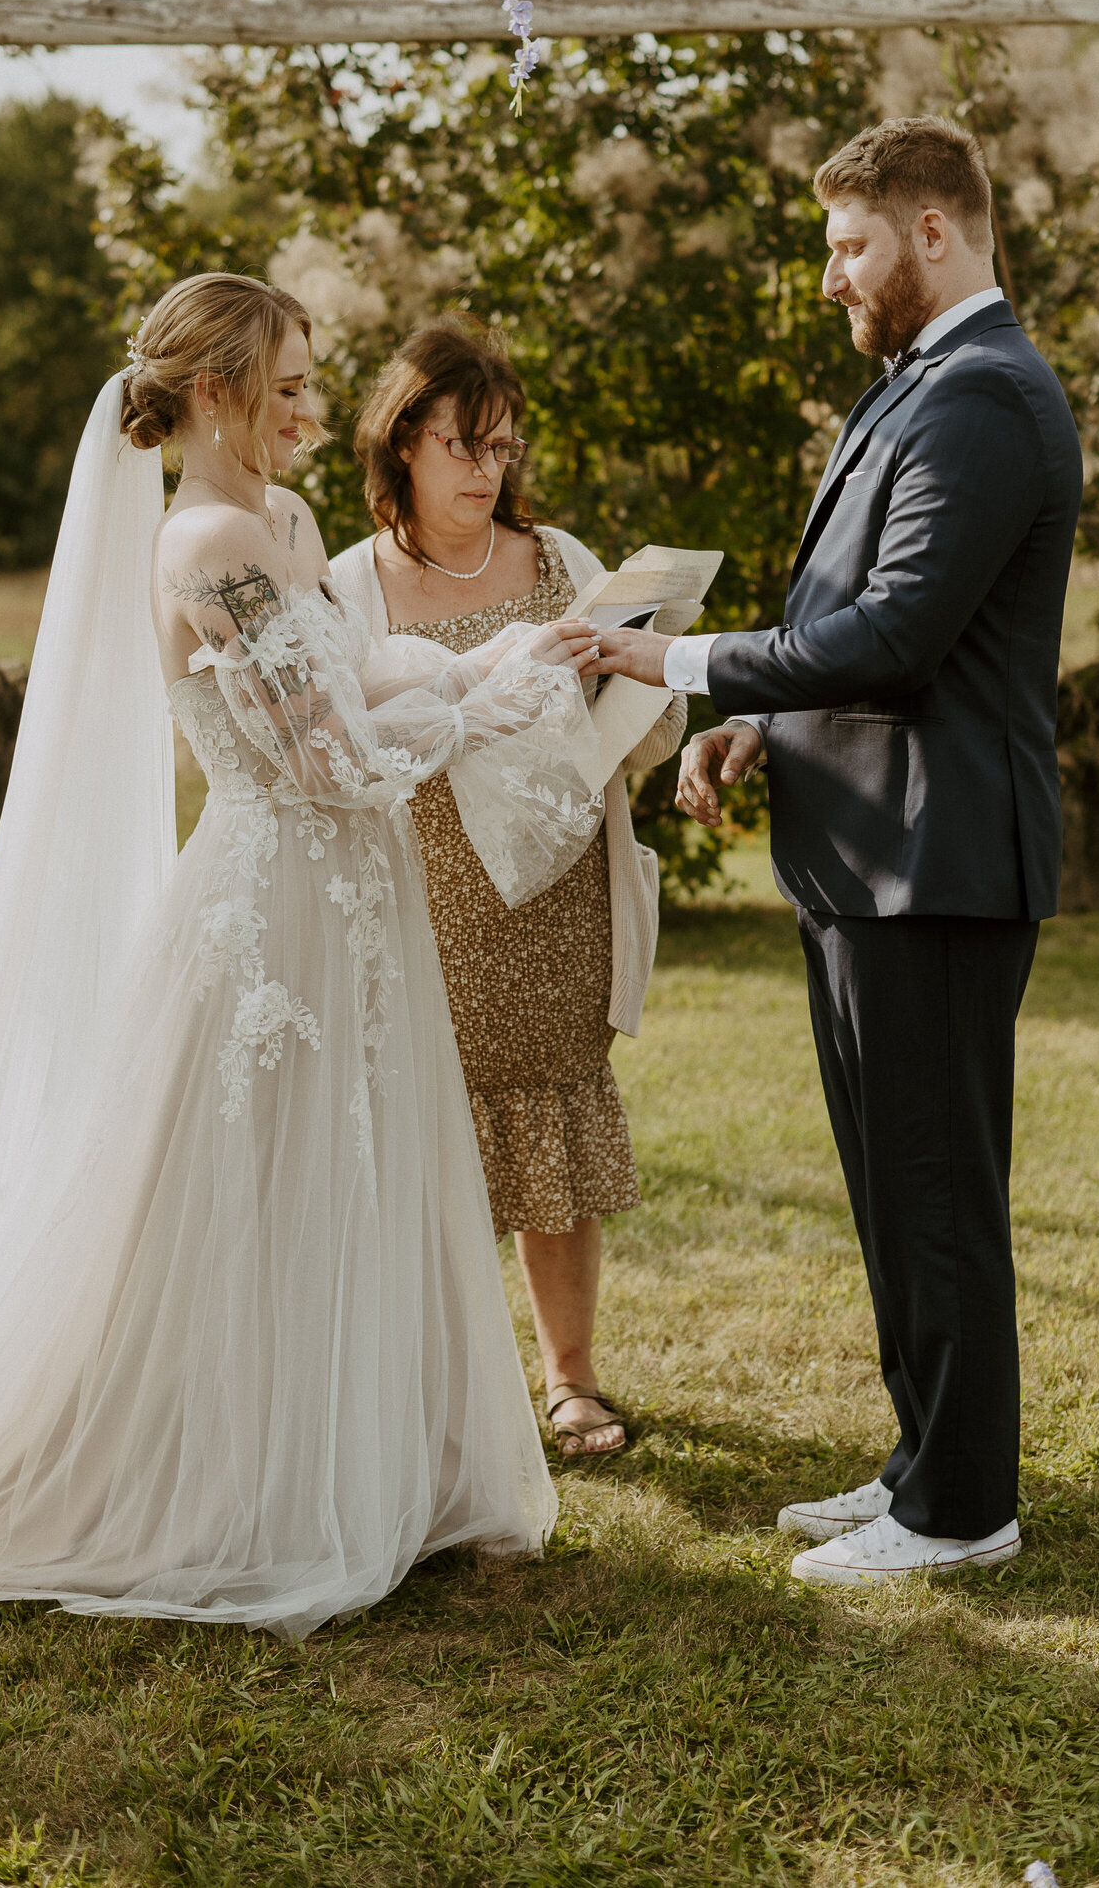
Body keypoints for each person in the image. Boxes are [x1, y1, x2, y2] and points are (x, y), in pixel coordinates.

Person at [0, 273, 609, 1635]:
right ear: (216, 391)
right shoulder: (206, 547)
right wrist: (493, 708)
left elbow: (359, 676)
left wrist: (492, 662)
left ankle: (374, 1460)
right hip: (274, 905)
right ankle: (238, 1484)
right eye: (294, 387)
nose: (315, 411)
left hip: (355, 907)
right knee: (248, 1188)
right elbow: (326, 764)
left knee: (356, 1171)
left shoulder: (286, 523)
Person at [590, 117, 1082, 1585]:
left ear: (936, 233)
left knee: (938, 1187)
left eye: (849, 245)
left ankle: (961, 1513)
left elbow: (903, 634)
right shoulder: (918, 388)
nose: (830, 276)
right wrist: (766, 729)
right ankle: (922, 1462)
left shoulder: (985, 397)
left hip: (937, 863)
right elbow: (857, 634)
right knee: (894, 1178)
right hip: (870, 849)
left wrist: (677, 667)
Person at [331, 319, 685, 1461]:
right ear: (402, 447)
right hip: (425, 891)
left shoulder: (564, 559)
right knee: (429, 1134)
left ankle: (570, 1379)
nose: (485, 467)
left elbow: (645, 729)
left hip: (557, 891)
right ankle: (437, 1388)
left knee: (553, 1126)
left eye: (499, 444)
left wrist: (621, 677)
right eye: (460, 444)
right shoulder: (349, 583)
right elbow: (338, 746)